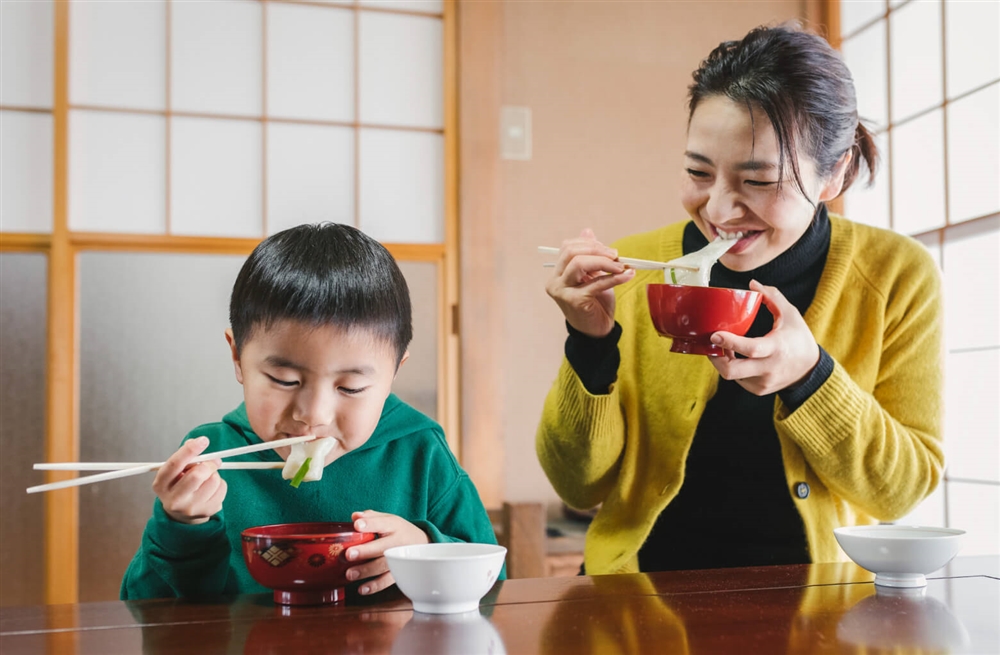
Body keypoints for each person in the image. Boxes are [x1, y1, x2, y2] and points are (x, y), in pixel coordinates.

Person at [537, 24, 944, 576]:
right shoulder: (633, 269)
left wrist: (811, 378)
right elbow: (578, 485)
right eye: (697, 172)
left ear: (835, 173)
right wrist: (589, 343)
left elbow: (901, 493)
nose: (721, 211)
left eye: (758, 180)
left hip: (819, 605)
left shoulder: (896, 275)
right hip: (637, 597)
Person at [121, 223, 500, 600]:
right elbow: (144, 610)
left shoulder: (420, 452)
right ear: (237, 357)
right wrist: (182, 525)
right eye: (284, 379)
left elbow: (494, 583)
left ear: (394, 373)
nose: (313, 415)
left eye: (350, 387)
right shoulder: (211, 459)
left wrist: (425, 549)